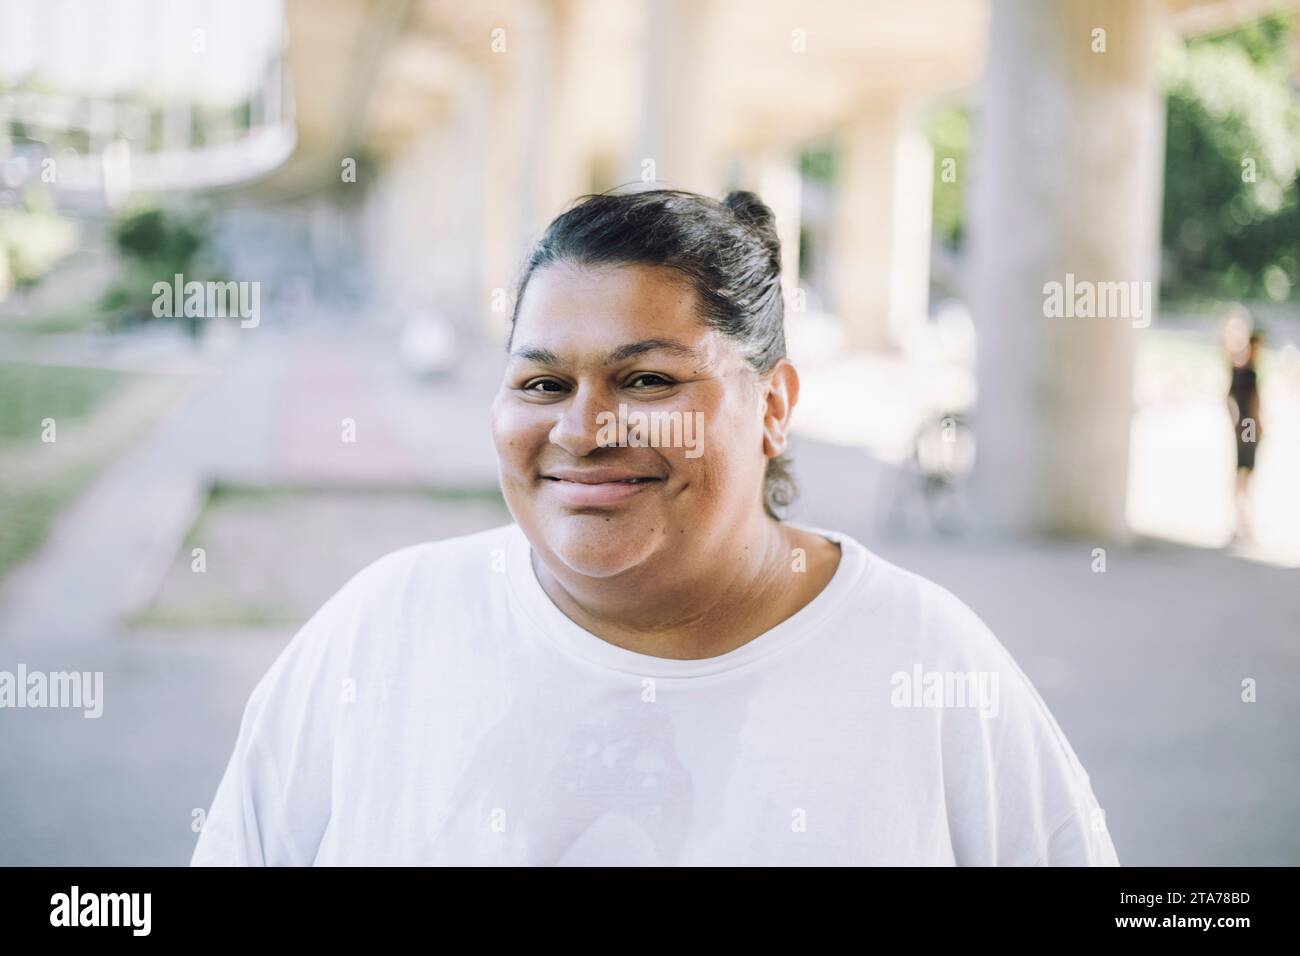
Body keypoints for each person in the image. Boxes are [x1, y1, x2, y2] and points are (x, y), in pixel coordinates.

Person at [191, 188, 1119, 866]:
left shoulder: (931, 665)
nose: (583, 431)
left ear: (774, 405)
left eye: (647, 381)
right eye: (542, 383)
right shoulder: (381, 631)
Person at [1227, 330, 1263, 540]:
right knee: (1245, 471)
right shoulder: (1250, 373)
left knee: (1241, 472)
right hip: (1248, 426)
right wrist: (1258, 428)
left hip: (1242, 425)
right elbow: (1255, 404)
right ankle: (1242, 517)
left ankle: (1240, 516)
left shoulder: (1238, 370)